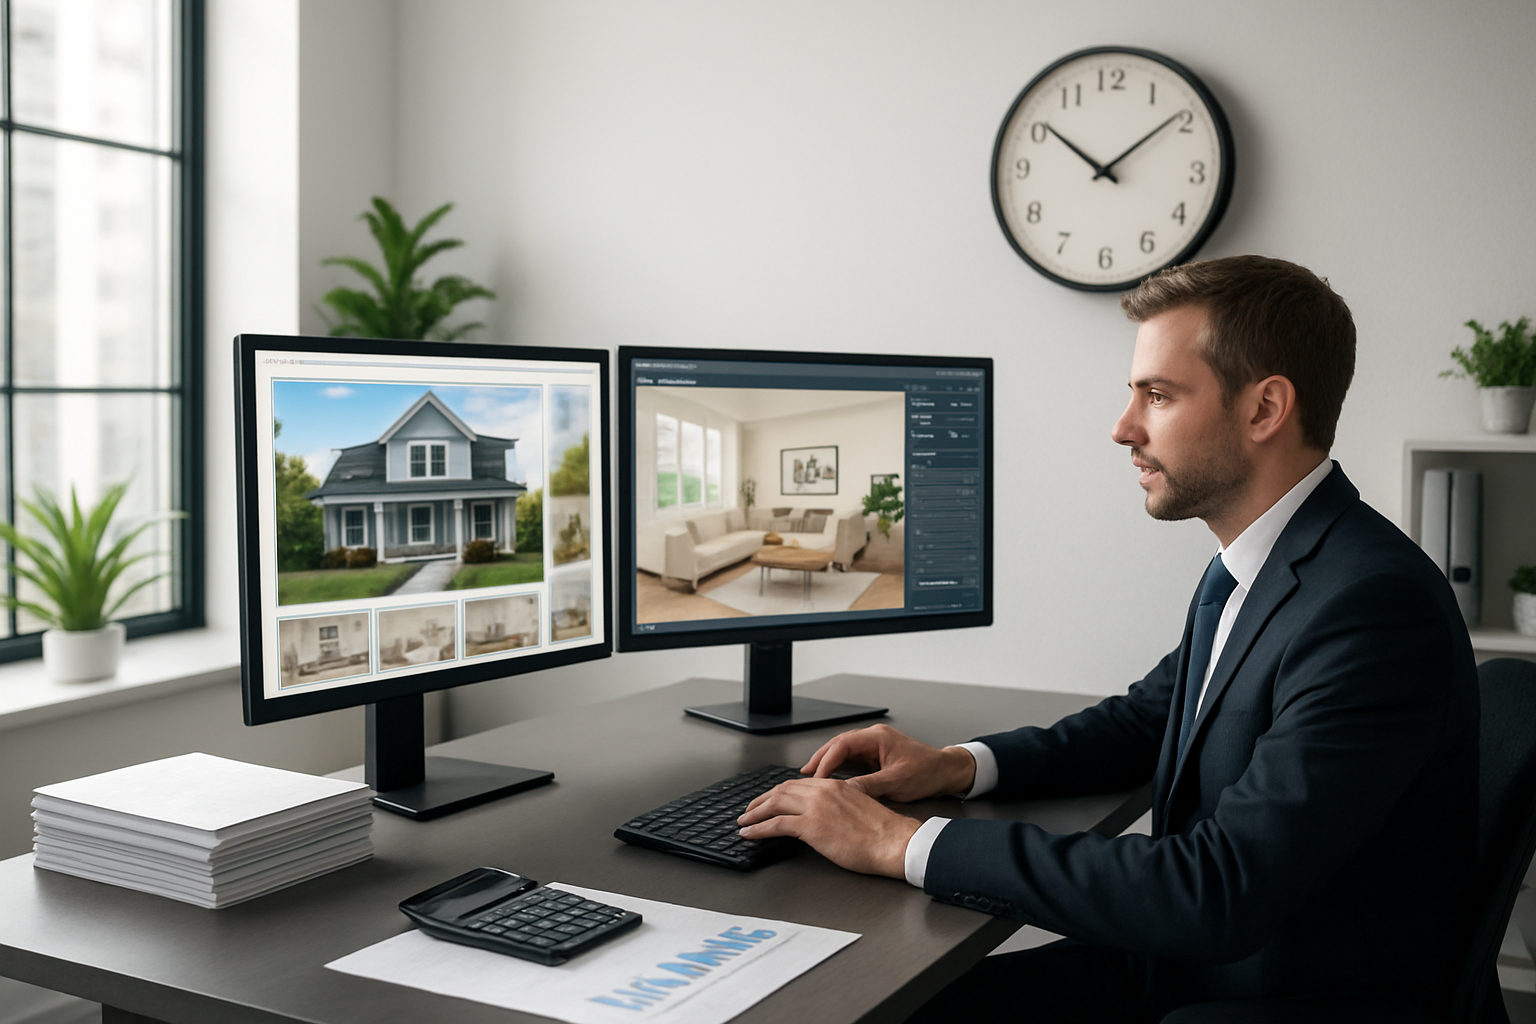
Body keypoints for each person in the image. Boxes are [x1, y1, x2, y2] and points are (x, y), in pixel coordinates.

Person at [736, 255, 1478, 1021]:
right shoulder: (1267, 563)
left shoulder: (1370, 605)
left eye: (1158, 395)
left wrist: (902, 844)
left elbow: (1214, 890)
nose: (1122, 427)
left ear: (1265, 410)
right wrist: (956, 766)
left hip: (1272, 997)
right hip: (1191, 970)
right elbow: (1146, 719)